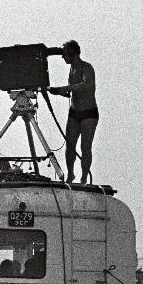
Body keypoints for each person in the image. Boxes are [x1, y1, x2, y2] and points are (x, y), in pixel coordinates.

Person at [47, 40, 97, 184]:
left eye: (64, 54)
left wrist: (66, 88)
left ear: (71, 54)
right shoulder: (71, 70)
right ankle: (71, 174)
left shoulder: (86, 67)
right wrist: (59, 91)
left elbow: (88, 84)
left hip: (89, 112)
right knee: (70, 146)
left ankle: (84, 177)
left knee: (85, 147)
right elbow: (71, 89)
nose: (62, 57)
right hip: (74, 112)